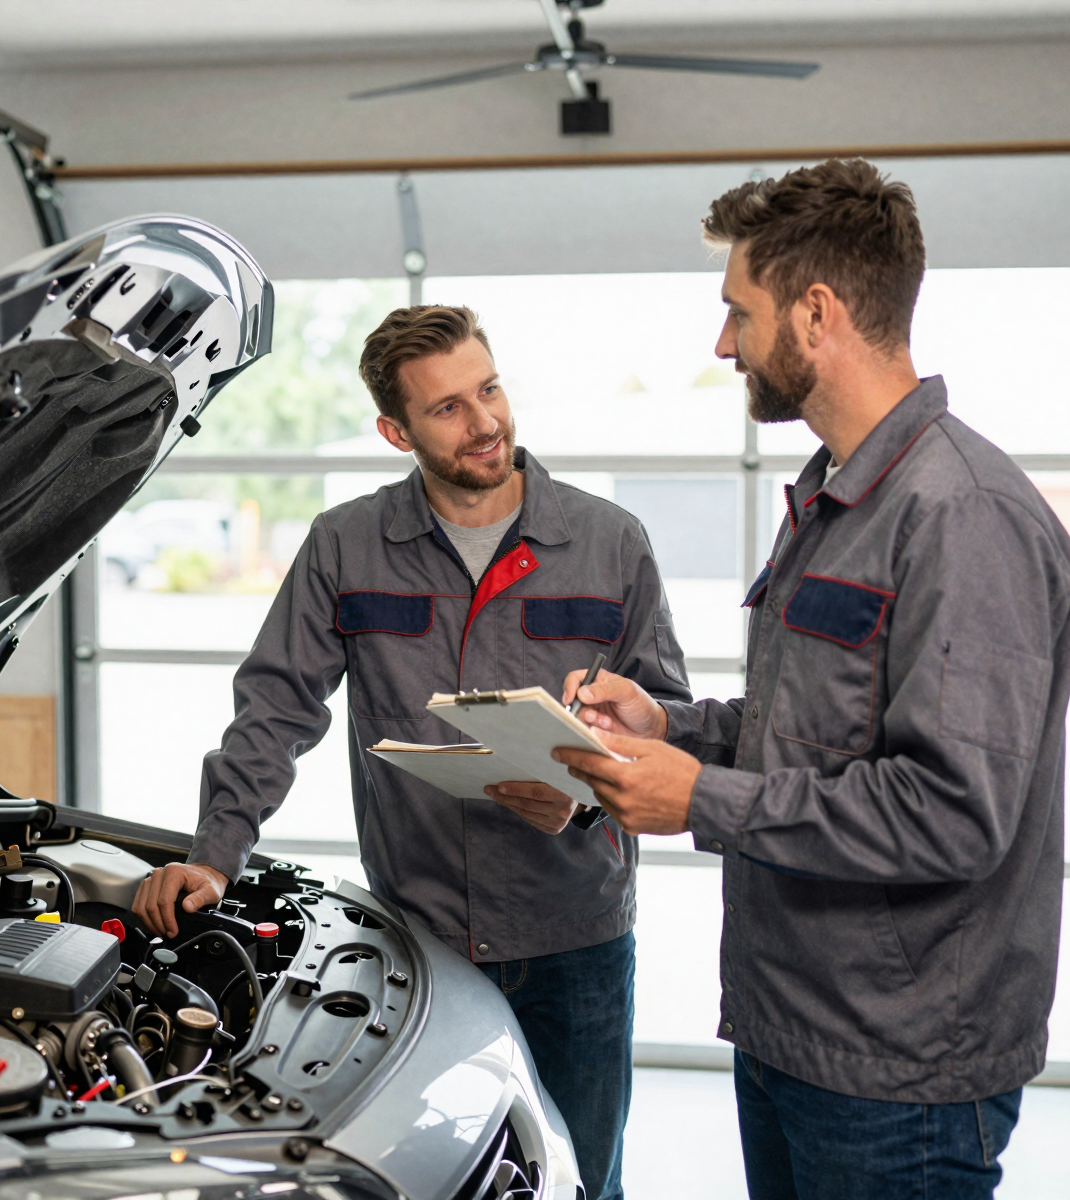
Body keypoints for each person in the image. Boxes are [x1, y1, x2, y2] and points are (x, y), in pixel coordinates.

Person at [552, 160, 1070, 1200]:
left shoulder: (961, 516)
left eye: (735, 312)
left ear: (814, 311)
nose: (722, 344)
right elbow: (819, 729)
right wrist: (673, 724)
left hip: (902, 1071)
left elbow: (950, 812)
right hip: (795, 1029)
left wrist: (696, 796)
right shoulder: (834, 498)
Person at [133, 304, 692, 1200]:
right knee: (434, 1179)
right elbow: (275, 707)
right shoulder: (346, 546)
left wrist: (586, 794)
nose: (486, 423)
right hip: (420, 939)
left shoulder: (608, 542)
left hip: (573, 938)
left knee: (580, 1180)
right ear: (396, 430)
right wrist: (214, 854)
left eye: (491, 389)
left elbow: (665, 717)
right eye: (449, 409)